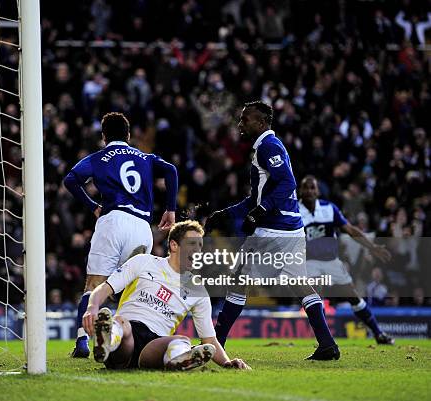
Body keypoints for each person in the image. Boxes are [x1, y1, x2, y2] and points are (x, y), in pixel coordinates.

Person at [212, 101, 340, 360]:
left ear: (260, 123)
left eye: (245, 119)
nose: (240, 124)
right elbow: (258, 197)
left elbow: (288, 182)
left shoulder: (268, 146)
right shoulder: (269, 147)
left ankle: (217, 344)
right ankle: (327, 344)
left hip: (273, 229)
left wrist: (260, 212)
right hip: (292, 229)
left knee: (238, 281)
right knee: (299, 284)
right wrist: (226, 214)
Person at [63, 112, 178, 358]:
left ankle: (83, 343)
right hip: (142, 227)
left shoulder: (98, 157)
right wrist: (170, 209)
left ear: (104, 136)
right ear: (128, 135)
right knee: (131, 286)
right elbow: (171, 171)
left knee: (94, 284)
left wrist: (93, 205)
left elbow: (71, 179)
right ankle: (125, 340)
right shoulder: (145, 158)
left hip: (113, 221)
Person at [83, 220, 250, 370]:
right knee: (120, 322)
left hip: (155, 345)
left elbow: (210, 340)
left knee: (182, 340)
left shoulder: (198, 291)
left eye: (200, 246)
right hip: (128, 335)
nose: (197, 251)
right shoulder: (144, 262)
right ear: (174, 245)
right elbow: (104, 289)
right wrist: (92, 307)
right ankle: (106, 342)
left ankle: (177, 361)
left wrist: (228, 363)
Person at [299, 175, 394, 345]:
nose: (309, 191)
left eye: (312, 187)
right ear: (300, 190)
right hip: (309, 261)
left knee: (353, 296)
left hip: (331, 261)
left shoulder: (329, 208)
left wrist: (371, 246)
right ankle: (324, 341)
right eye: (306, 187)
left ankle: (378, 333)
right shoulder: (294, 211)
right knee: (315, 294)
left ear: (318, 191)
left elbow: (350, 229)